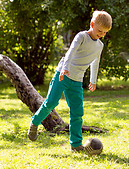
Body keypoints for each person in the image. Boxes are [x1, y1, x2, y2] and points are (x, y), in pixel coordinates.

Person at [27, 10, 112, 151]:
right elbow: (71, 51)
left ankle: (76, 144)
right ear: (92, 24)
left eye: (104, 32)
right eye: (99, 30)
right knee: (51, 102)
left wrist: (93, 80)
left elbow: (95, 62)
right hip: (63, 74)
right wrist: (65, 68)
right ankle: (35, 121)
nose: (101, 34)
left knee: (77, 112)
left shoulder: (100, 46)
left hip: (77, 80)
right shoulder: (82, 36)